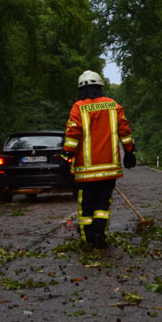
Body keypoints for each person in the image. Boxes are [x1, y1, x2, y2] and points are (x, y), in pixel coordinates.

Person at [62, 70, 136, 249]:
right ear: (100, 87)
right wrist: (129, 152)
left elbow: (73, 135)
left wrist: (66, 157)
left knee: (86, 206)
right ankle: (99, 237)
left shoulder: (78, 107)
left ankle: (87, 240)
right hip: (109, 169)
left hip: (85, 171)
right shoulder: (113, 106)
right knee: (103, 204)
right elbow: (125, 132)